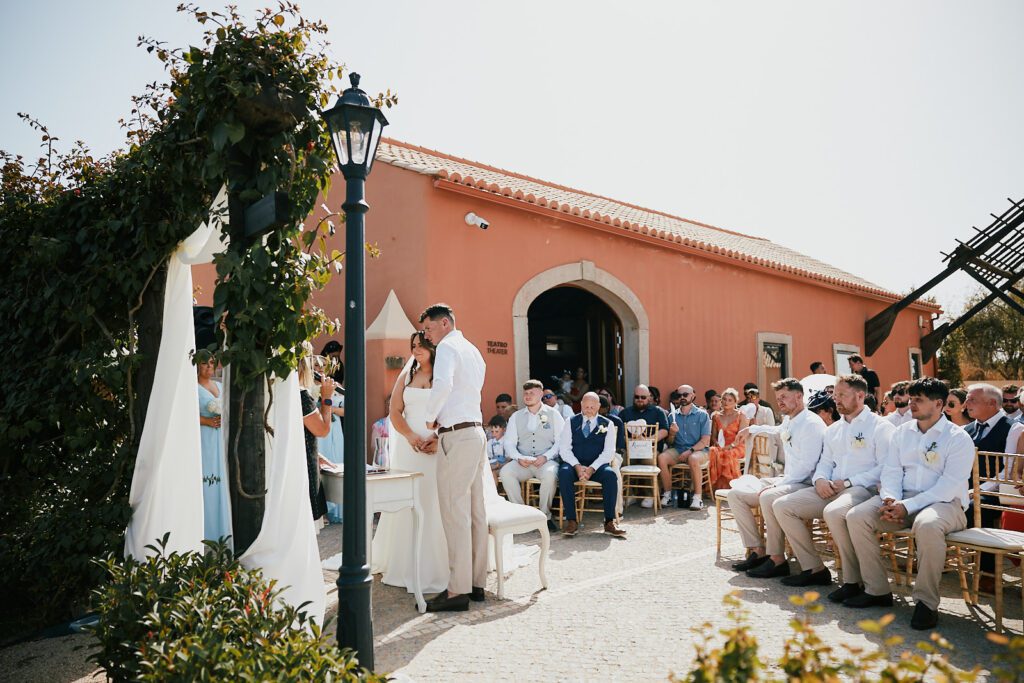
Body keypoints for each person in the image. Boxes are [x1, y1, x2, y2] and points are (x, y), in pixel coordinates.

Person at [845, 377, 974, 629]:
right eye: (911, 399)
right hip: (903, 501)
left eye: (919, 400)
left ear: (938, 404)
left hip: (946, 505)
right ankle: (877, 590)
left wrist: (908, 505)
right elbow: (891, 471)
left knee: (927, 525)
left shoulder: (957, 438)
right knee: (857, 516)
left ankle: (926, 603)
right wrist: (890, 498)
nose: (911, 404)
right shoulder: (902, 432)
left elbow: (948, 485)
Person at [772, 374, 895, 590]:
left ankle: (852, 581)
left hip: (863, 490)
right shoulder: (834, 430)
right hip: (831, 488)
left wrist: (848, 482)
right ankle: (814, 569)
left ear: (860, 395)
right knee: (783, 505)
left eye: (841, 395)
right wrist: (820, 479)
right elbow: (825, 462)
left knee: (834, 512)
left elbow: (885, 468)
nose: (835, 399)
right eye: (835, 394)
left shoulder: (880, 426)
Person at [419, 303, 488, 612]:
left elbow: (444, 384)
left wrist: (430, 418)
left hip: (457, 436)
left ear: (445, 323)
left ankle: (457, 591)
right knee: (475, 511)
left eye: (429, 329)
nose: (426, 336)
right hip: (475, 431)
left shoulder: (447, 348)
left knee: (453, 511)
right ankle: (476, 584)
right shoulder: (472, 350)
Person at [372, 331, 451, 596]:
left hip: (438, 446)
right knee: (410, 503)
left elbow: (454, 411)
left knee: (435, 502)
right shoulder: (406, 376)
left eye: (421, 345)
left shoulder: (444, 376)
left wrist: (438, 438)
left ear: (432, 347)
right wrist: (410, 436)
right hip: (410, 449)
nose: (416, 349)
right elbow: (394, 411)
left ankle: (442, 566)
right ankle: (404, 563)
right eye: (413, 346)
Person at [731, 378, 826, 578]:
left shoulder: (811, 424)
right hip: (788, 480)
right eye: (777, 398)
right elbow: (778, 430)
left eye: (784, 397)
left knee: (767, 496)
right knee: (735, 495)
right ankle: (758, 551)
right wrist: (752, 429)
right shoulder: (789, 420)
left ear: (799, 396)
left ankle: (777, 559)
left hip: (805, 483)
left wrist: (778, 483)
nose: (779, 401)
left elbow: (808, 466)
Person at [963, 382, 1024, 589]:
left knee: (978, 507)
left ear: (991, 403)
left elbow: (1007, 470)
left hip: (995, 491)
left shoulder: (1014, 428)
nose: (966, 404)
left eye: (972, 399)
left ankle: (987, 572)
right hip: (967, 489)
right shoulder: (966, 429)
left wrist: (977, 491)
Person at [499, 380, 566, 531]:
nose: (528, 396)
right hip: (524, 461)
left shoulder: (554, 414)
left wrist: (546, 457)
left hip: (546, 461)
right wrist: (518, 457)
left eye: (532, 393)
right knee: (506, 472)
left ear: (541, 394)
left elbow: (561, 441)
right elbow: (509, 443)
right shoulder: (516, 416)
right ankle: (521, 516)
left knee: (550, 475)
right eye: (526, 393)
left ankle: (545, 516)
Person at [557, 392, 626, 538]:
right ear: (581, 404)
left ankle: (609, 521)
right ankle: (571, 521)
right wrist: (577, 466)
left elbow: (609, 452)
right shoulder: (570, 421)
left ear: (599, 406)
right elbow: (564, 449)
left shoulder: (608, 424)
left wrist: (592, 468)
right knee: (563, 473)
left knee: (610, 475)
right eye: (586, 406)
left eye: (592, 407)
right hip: (574, 463)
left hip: (596, 465)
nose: (588, 410)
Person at [297, 343, 334, 526]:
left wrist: (317, 454)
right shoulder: (301, 396)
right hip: (302, 470)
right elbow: (322, 430)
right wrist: (327, 397)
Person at [196, 350, 231, 543]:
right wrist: (206, 421)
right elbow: (185, 412)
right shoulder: (192, 387)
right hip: (205, 436)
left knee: (222, 478)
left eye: (211, 363)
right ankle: (206, 528)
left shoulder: (219, 385)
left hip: (220, 438)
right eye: (204, 364)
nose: (209, 367)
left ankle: (222, 526)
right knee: (207, 478)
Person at [658, 384, 712, 509]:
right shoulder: (672, 416)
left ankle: (697, 498)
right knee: (661, 458)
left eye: (685, 394)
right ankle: (668, 494)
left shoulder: (702, 415)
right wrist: (672, 433)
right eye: (679, 395)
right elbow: (670, 442)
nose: (682, 397)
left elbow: (705, 440)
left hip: (699, 450)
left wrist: (689, 451)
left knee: (693, 458)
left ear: (693, 395)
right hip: (678, 449)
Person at [620, 384, 670, 508]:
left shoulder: (658, 411)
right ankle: (629, 494)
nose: (640, 400)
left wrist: (647, 441)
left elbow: (664, 431)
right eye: (637, 397)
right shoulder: (625, 412)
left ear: (649, 398)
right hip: (631, 448)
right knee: (621, 460)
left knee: (648, 459)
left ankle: (649, 494)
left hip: (652, 448)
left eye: (643, 397)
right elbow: (619, 433)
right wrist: (631, 440)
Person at [707, 388, 750, 492]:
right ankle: (716, 487)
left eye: (730, 400)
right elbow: (713, 436)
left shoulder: (741, 415)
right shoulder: (716, 416)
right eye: (724, 399)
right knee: (712, 451)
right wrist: (717, 443)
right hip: (721, 445)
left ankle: (732, 486)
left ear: (735, 402)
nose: (726, 402)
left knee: (728, 454)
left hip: (737, 446)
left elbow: (741, 437)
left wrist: (730, 446)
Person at [485, 414, 508, 484]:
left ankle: (494, 491)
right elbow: (488, 457)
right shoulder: (489, 443)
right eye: (492, 431)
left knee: (492, 472)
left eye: (497, 431)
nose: (494, 434)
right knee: (490, 471)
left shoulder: (507, 442)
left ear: (504, 429)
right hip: (494, 466)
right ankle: (492, 491)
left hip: (505, 465)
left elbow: (510, 458)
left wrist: (500, 464)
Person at [370, 394, 391, 467]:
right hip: (385, 461)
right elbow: (374, 447)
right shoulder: (379, 425)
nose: (390, 407)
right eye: (388, 404)